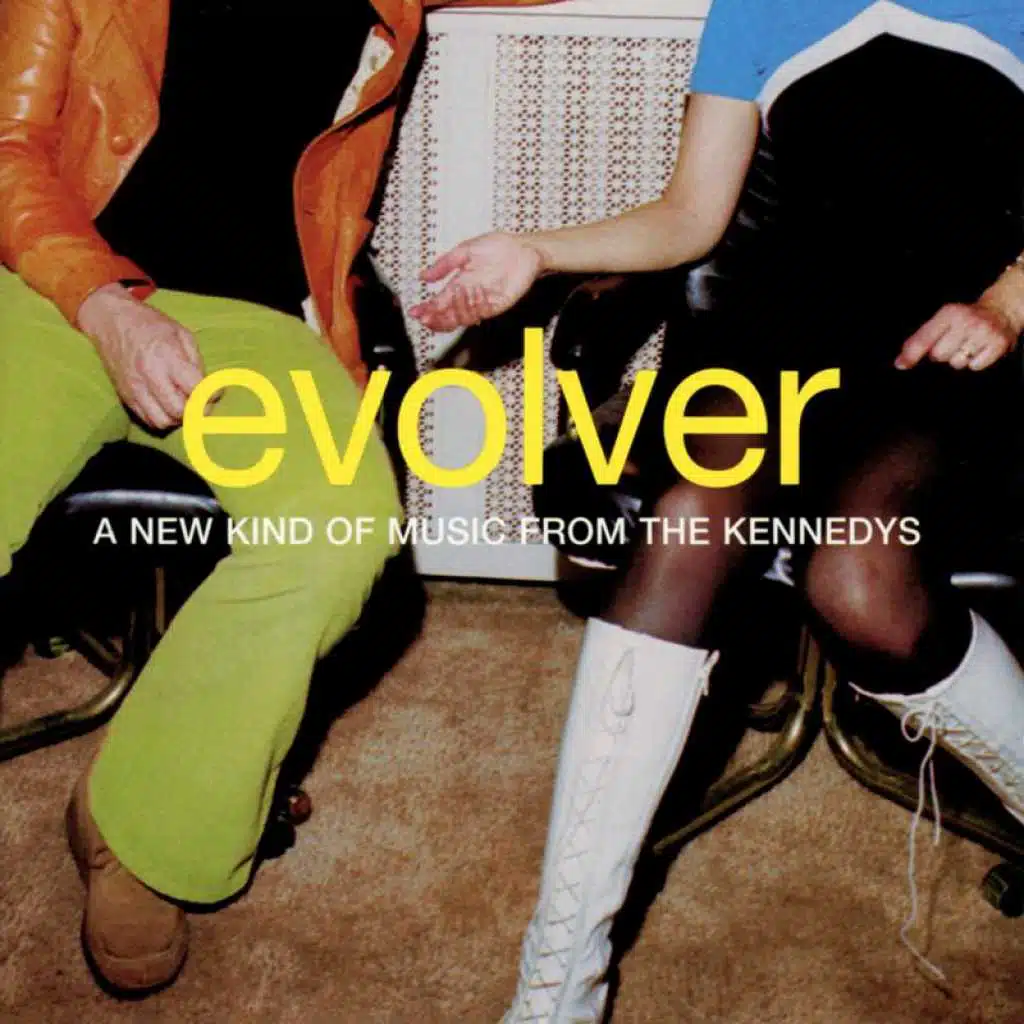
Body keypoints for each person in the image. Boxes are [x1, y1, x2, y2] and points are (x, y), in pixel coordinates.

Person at [411, 2, 1024, 1019]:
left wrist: (1006, 303)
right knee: (690, 516)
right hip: (774, 344)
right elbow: (691, 215)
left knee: (860, 576)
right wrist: (535, 250)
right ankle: (557, 985)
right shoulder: (758, 8)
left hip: (950, 346)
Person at [0, 0, 404, 995]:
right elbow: (7, 149)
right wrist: (104, 308)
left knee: (343, 521)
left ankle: (147, 822)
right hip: (54, 289)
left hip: (249, 320)